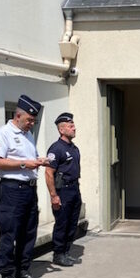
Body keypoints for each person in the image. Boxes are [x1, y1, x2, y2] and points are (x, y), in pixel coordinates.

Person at [0, 95, 49, 278]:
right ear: (18, 115)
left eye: (33, 120)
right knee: (10, 233)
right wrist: (25, 164)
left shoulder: (28, 135)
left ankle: (23, 271)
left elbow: (27, 159)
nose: (32, 124)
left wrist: (38, 161)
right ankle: (6, 277)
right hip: (12, 190)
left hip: (29, 190)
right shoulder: (4, 133)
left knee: (28, 232)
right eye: (29, 120)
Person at [46, 113, 82, 267]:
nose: (74, 128)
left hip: (74, 189)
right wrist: (54, 196)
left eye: (73, 125)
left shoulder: (74, 148)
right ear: (61, 130)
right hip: (63, 191)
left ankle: (66, 252)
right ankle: (58, 254)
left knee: (72, 223)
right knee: (62, 223)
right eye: (70, 125)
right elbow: (48, 173)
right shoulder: (56, 148)